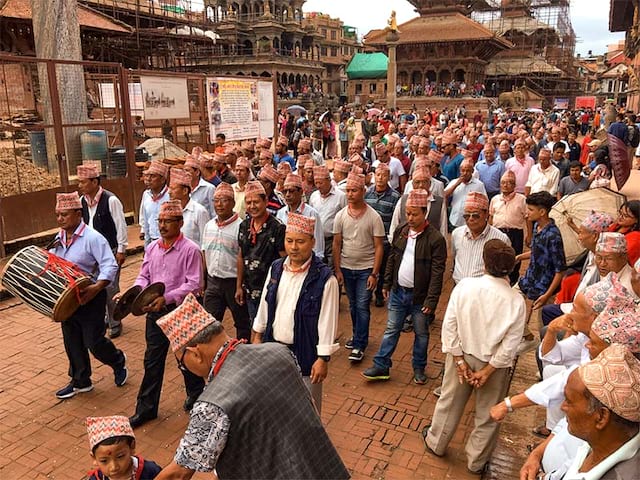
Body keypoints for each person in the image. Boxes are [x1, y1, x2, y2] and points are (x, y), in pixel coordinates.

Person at [153, 294, 350, 479]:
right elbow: (309, 407)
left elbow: (178, 474)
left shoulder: (211, 405)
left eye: (182, 363)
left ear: (195, 354)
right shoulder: (279, 352)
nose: (184, 369)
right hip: (321, 469)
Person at [423, 240, 526, 474]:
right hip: (493, 365)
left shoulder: (466, 286)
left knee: (449, 402)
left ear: (484, 262)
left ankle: (436, 442)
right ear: (510, 268)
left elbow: (450, 325)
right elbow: (510, 345)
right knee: (488, 414)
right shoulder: (515, 300)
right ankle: (476, 461)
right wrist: (488, 370)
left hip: (463, 354)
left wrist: (459, 361)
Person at [123, 200, 205, 428]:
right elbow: (144, 276)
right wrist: (135, 292)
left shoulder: (191, 250)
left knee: (187, 358)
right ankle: (146, 409)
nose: (162, 225)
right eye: (160, 221)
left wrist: (166, 298)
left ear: (180, 222)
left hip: (180, 311)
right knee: (152, 360)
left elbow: (195, 284)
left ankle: (197, 398)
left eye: (168, 221)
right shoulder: (152, 248)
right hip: (154, 313)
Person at [252, 213, 340, 413]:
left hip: (305, 355)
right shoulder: (276, 268)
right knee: (273, 407)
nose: (293, 247)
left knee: (306, 411)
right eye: (289, 241)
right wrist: (257, 334)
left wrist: (322, 358)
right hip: (274, 351)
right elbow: (266, 304)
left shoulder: (325, 279)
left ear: (312, 242)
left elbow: (327, 322)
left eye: (300, 241)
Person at [362, 189, 446, 384]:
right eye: (407, 213)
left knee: (421, 333)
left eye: (414, 214)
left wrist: (431, 300)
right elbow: (392, 258)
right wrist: (387, 282)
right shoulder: (401, 231)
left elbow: (437, 274)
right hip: (399, 293)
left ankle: (419, 368)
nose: (410, 217)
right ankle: (381, 365)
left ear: (424, 213)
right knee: (391, 329)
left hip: (420, 298)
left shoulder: (435, 239)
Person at [50, 192, 127, 399]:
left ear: (78, 214)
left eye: (64, 215)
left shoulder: (93, 238)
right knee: (72, 340)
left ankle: (118, 360)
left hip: (91, 296)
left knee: (93, 341)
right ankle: (80, 381)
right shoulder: (58, 238)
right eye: (58, 215)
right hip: (69, 298)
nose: (60, 219)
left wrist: (96, 288)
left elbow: (109, 265)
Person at [562, 344, 640, 479]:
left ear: (601, 417)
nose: (562, 407)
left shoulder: (624, 475)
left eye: (569, 401)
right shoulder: (597, 443)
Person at [333, 172, 385, 362]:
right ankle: (357, 336)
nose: (350, 194)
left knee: (362, 305)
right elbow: (337, 244)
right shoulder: (340, 216)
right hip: (347, 268)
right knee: (353, 306)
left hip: (365, 269)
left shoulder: (374, 217)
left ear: (363, 191)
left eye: (354, 190)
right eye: (348, 191)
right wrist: (337, 269)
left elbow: (379, 246)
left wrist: (374, 273)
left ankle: (359, 344)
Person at [77, 163, 128, 339]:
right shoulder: (82, 202)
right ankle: (104, 318)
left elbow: (120, 225)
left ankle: (115, 321)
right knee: (94, 286)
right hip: (91, 253)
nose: (80, 186)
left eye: (83, 182)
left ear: (94, 181)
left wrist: (121, 249)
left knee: (110, 287)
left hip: (110, 251)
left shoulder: (110, 200)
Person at [516, 191, 566, 355]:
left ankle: (546, 360)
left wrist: (547, 295)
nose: (527, 213)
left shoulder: (554, 235)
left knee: (544, 328)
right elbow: (537, 252)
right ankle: (528, 338)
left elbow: (560, 270)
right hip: (529, 280)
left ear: (542, 211)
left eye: (530, 210)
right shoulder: (538, 227)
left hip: (545, 287)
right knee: (510, 303)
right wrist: (519, 257)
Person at [202, 183, 251, 342]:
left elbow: (243, 257)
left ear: (233, 202)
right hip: (213, 282)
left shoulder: (241, 226)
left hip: (233, 283)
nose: (219, 204)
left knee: (242, 324)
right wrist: (204, 280)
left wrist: (239, 286)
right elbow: (204, 253)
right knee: (209, 325)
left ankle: (245, 356)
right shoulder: (209, 225)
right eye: (216, 200)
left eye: (224, 200)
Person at [235, 181, 286, 322]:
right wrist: (239, 286)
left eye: (256, 202)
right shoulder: (243, 226)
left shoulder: (278, 228)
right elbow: (240, 256)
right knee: (255, 326)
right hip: (250, 291)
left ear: (266, 201)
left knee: (272, 330)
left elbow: (285, 261)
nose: (252, 206)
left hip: (272, 292)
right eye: (249, 202)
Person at [451, 191, 510, 284]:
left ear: (486, 214)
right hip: (459, 288)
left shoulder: (501, 239)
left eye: (475, 215)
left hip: (485, 291)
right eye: (466, 216)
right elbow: (454, 259)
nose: (470, 219)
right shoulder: (457, 234)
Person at [364, 163, 401, 307]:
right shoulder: (367, 194)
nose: (380, 178)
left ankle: (379, 294)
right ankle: (367, 293)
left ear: (389, 178)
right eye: (378, 175)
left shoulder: (395, 197)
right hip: (368, 240)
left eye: (384, 175)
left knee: (384, 268)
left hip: (385, 241)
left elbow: (395, 221)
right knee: (368, 268)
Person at [86, 416, 162, 480]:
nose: (114, 467)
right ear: (94, 458)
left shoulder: (150, 471)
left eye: (120, 456)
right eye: (104, 461)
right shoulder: (97, 478)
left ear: (132, 447)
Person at [489, 170, 529, 285]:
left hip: (515, 233)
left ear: (515, 185)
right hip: (498, 232)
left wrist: (529, 235)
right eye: (503, 183)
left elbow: (527, 218)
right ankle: (497, 282)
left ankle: (512, 283)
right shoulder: (495, 199)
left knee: (514, 258)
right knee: (497, 257)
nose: (506, 185)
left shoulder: (522, 199)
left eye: (510, 183)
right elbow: (491, 217)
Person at [276, 173, 324, 259]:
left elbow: (318, 247)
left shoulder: (311, 214)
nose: (287, 195)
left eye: (291, 191)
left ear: (301, 192)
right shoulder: (281, 213)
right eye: (285, 191)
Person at [308, 165, 347, 269]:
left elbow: (345, 218)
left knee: (331, 269)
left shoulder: (341, 196)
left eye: (321, 183)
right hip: (316, 240)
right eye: (316, 183)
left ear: (329, 180)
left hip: (332, 240)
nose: (318, 186)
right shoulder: (314, 196)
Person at [168, 168, 210, 247]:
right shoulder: (169, 211)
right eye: (169, 188)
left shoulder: (199, 211)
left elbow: (205, 241)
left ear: (185, 191)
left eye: (173, 189)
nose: (169, 192)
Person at [445, 160, 487, 229]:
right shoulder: (454, 182)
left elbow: (484, 203)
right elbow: (444, 195)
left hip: (472, 220)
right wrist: (456, 184)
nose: (465, 173)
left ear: (472, 171)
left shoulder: (479, 185)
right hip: (455, 219)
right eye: (463, 170)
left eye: (468, 171)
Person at [139, 160, 170, 248]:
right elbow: (146, 220)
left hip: (168, 241)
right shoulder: (146, 195)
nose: (148, 179)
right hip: (153, 241)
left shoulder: (171, 195)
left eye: (152, 176)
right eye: (147, 176)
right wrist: (146, 246)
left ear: (162, 179)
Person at [182, 154, 215, 218]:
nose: (185, 173)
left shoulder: (209, 188)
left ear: (197, 172)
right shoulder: (183, 189)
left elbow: (214, 213)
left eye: (187, 170)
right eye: (184, 170)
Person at [609, 201, 640, 266]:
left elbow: (621, 256)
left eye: (625, 216)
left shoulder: (636, 237)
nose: (620, 217)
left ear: (637, 220)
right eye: (620, 213)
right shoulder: (616, 226)